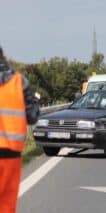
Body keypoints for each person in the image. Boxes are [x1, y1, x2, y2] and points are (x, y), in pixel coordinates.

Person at [0, 46, 39, 213]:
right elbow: (32, 116)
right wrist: (36, 101)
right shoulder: (19, 81)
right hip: (10, 156)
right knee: (6, 207)